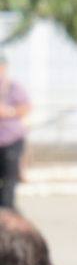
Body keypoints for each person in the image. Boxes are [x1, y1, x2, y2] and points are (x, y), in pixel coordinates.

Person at [0, 62, 28, 213]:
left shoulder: (13, 87)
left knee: (9, 179)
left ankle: (7, 213)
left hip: (11, 139)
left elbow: (26, 107)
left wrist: (8, 112)